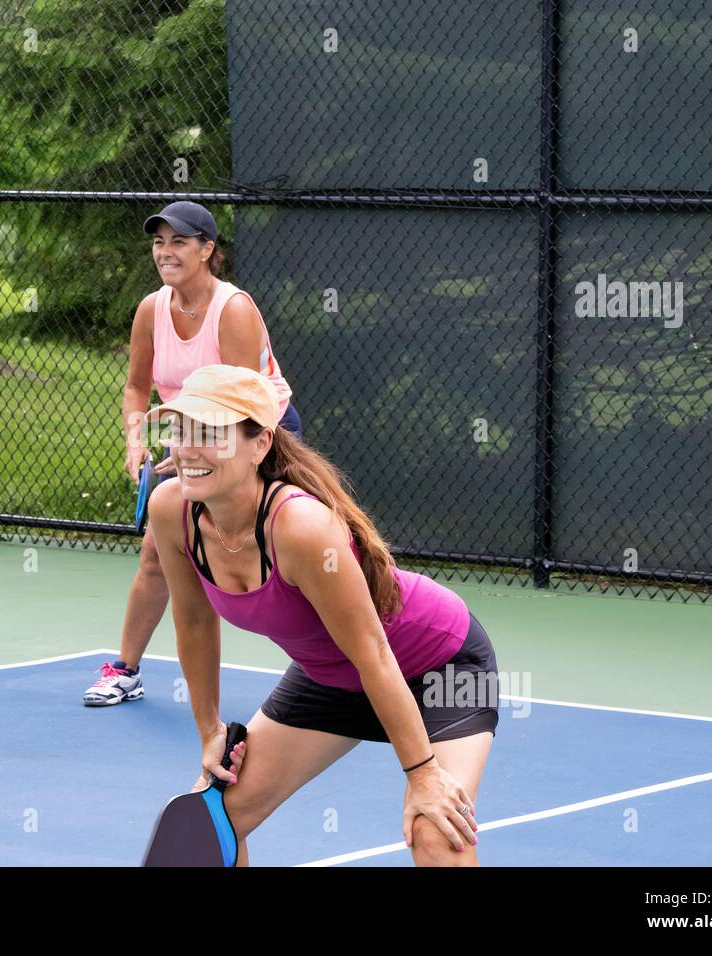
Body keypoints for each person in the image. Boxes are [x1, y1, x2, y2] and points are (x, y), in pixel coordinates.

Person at [143, 364, 498, 866]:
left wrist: (422, 777)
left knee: (436, 830)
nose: (189, 449)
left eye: (210, 433)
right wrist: (210, 730)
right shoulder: (171, 511)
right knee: (214, 820)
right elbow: (195, 623)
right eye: (182, 431)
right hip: (332, 676)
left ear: (260, 443)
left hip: (439, 666)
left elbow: (374, 652)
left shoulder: (300, 527)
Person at [83, 201, 303, 705]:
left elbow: (240, 403)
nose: (166, 252)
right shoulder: (150, 309)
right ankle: (125, 670)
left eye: (179, 242)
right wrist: (136, 440)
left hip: (261, 433)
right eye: (159, 242)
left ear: (207, 250)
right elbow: (137, 388)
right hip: (190, 434)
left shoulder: (235, 309)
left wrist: (185, 449)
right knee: (157, 553)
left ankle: (332, 661)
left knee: (292, 548)